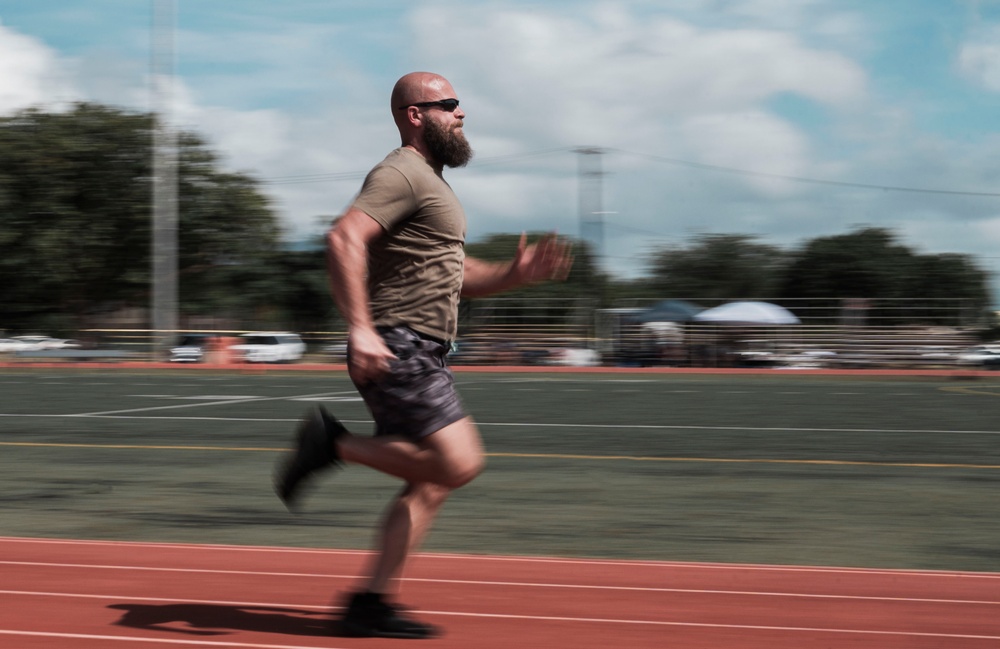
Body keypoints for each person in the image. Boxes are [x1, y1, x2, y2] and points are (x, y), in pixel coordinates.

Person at [273, 71, 573, 639]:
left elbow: (455, 278)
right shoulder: (402, 172)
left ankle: (369, 601)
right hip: (398, 343)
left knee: (429, 482)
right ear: (416, 114)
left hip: (422, 348)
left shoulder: (431, 184)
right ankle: (332, 444)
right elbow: (343, 237)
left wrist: (514, 274)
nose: (462, 114)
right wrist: (360, 329)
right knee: (459, 464)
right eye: (450, 104)